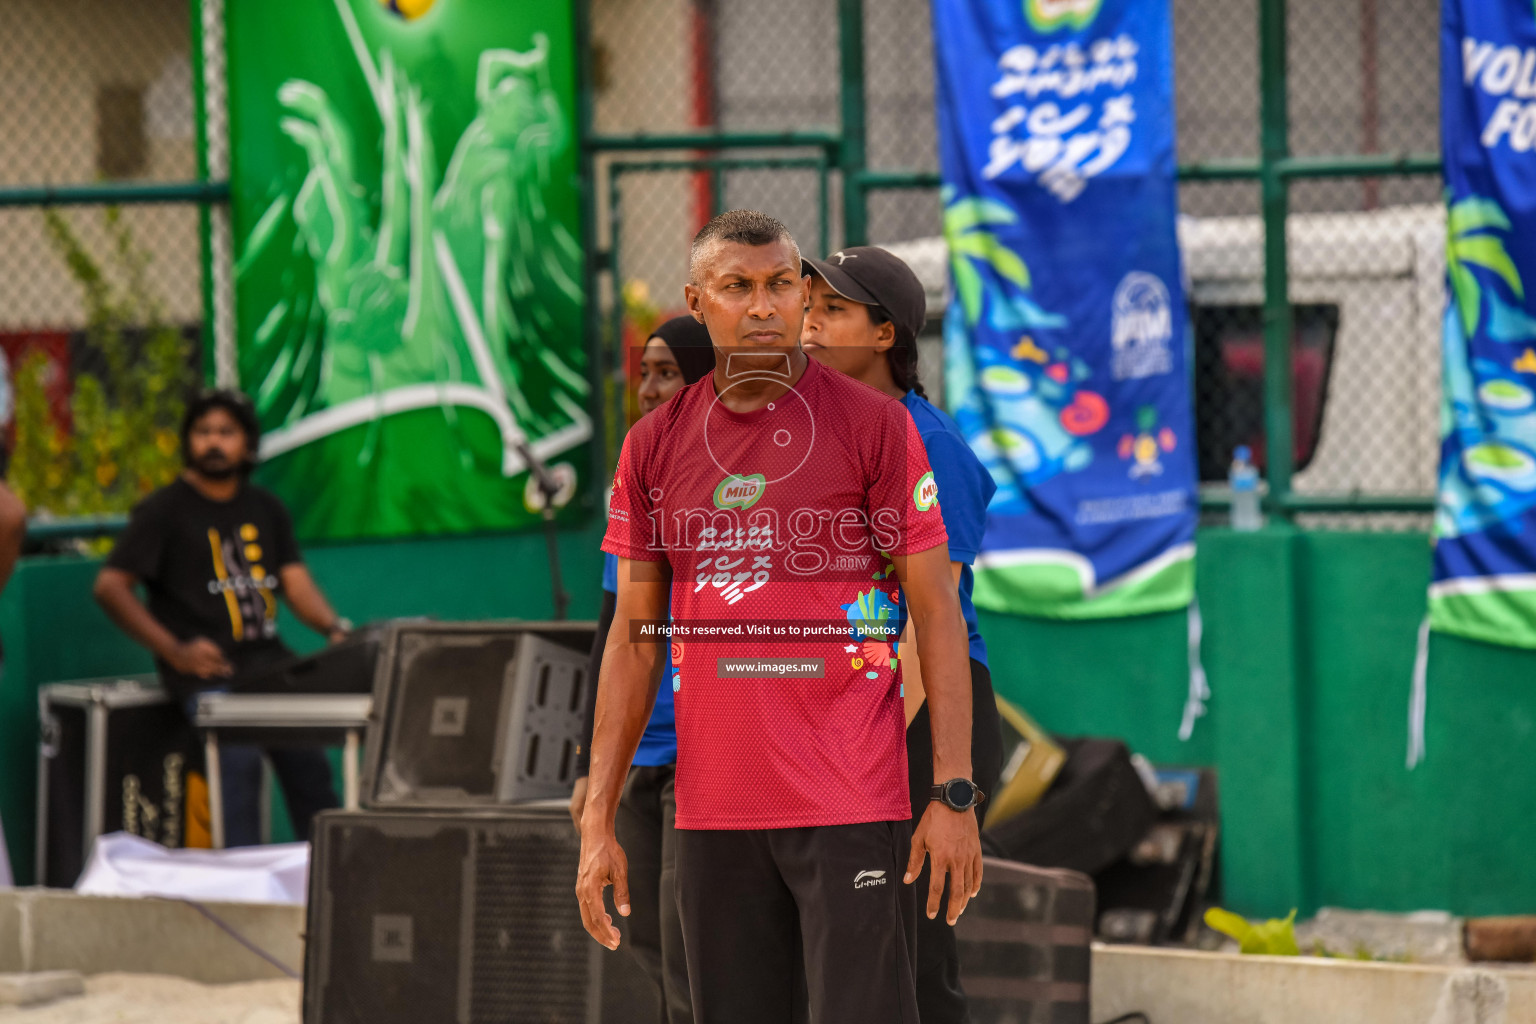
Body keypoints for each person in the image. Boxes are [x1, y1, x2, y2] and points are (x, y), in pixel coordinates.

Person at [577, 210, 984, 1024]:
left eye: (779, 286)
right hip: (714, 806)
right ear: (699, 302)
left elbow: (936, 611)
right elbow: (634, 641)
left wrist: (953, 794)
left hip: (849, 800)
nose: (762, 307)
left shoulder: (876, 427)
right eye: (737, 288)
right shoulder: (653, 447)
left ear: (803, 297)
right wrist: (597, 817)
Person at [802, 246, 1004, 1024]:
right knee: (844, 951)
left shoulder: (927, 441)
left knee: (910, 953)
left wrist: (860, 738)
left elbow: (933, 622)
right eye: (809, 308)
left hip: (919, 711)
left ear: (885, 334)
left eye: (835, 311)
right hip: (839, 711)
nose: (810, 326)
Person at [93, 389, 346, 847]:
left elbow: (296, 584)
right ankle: (242, 893)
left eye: (226, 433)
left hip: (269, 664)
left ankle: (330, 875)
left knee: (311, 761)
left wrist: (332, 628)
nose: (213, 442)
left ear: (247, 444)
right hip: (208, 673)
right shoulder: (164, 509)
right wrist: (173, 649)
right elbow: (110, 586)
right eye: (203, 432)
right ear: (188, 441)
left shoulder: (266, 508)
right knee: (238, 760)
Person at [571, 314, 715, 1024]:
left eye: (669, 372)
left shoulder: (739, 485)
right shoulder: (638, 481)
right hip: (639, 753)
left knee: (698, 945)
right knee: (646, 935)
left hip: (707, 751)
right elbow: (612, 634)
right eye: (645, 375)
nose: (652, 389)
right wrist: (590, 767)